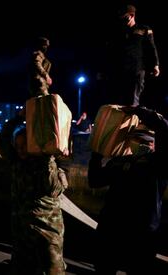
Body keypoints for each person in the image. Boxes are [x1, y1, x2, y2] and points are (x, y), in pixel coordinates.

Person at [88, 106, 168, 274]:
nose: (141, 145)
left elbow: (164, 128)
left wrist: (140, 111)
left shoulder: (159, 164)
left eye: (146, 142)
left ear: (155, 145)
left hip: (141, 234)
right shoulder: (120, 162)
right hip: (112, 229)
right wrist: (97, 153)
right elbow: (95, 181)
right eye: (137, 140)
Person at [0, 113, 68, 275]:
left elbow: (54, 188)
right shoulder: (17, 163)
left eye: (25, 145)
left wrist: (47, 158)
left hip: (46, 234)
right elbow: (2, 139)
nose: (21, 149)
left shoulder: (49, 165)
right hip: (22, 233)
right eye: (18, 145)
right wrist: (17, 117)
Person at [104, 4, 160, 106]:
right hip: (121, 70)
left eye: (125, 17)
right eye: (121, 17)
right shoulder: (119, 32)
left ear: (132, 15)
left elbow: (152, 48)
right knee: (119, 100)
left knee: (132, 99)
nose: (123, 19)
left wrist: (155, 65)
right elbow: (111, 51)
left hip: (137, 69)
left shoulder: (144, 29)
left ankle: (132, 119)